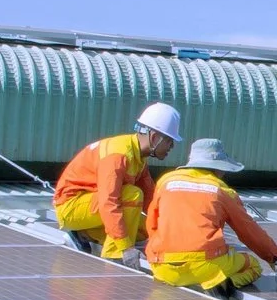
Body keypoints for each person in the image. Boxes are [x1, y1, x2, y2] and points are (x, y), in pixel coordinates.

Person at [143, 137, 277, 297]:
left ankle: (200, 280)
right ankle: (222, 284)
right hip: (205, 268)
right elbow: (250, 232)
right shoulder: (222, 191)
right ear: (217, 168)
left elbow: (152, 224)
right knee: (253, 265)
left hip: (162, 268)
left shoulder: (166, 181)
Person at [53, 103, 181, 262]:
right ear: (155, 138)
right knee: (132, 195)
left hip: (91, 207)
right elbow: (109, 202)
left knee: (148, 228)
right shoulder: (118, 155)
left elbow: (151, 201)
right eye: (169, 141)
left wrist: (173, 230)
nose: (172, 147)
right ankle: (114, 256)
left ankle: (83, 234)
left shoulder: (138, 158)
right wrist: (126, 248)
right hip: (71, 207)